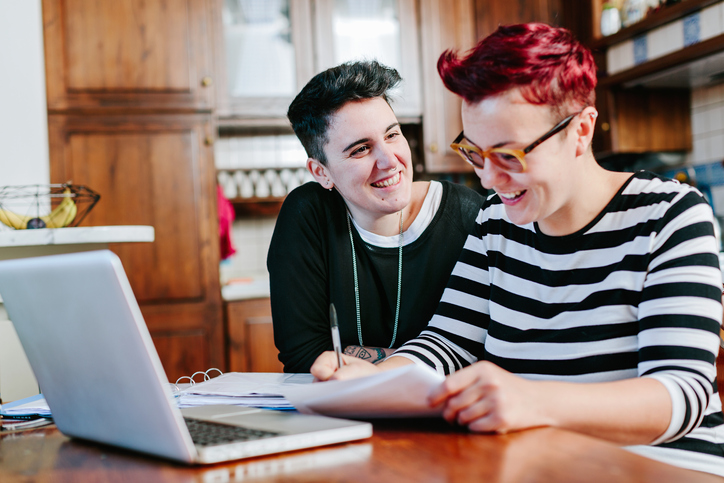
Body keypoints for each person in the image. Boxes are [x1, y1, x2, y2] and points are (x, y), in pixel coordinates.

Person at [311, 24, 724, 477]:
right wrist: (380, 377)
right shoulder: (496, 224)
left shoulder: (669, 216)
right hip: (542, 465)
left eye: (510, 156)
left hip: (663, 468)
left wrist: (531, 398)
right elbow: (448, 341)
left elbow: (679, 394)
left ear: (581, 130)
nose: (488, 179)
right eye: (476, 153)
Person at [268, 61, 484, 373]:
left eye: (392, 135)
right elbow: (304, 355)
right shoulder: (308, 215)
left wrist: (354, 358)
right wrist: (415, 364)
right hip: (343, 411)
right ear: (322, 172)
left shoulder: (468, 215)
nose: (389, 160)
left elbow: (482, 350)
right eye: (360, 150)